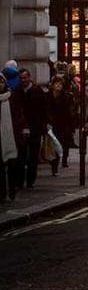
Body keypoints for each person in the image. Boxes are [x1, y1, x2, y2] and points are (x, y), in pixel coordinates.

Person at [17, 68, 46, 188]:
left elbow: (43, 110)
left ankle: (30, 181)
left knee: (33, 157)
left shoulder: (37, 91)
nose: (23, 80)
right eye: (21, 78)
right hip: (21, 128)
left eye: (25, 78)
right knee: (20, 156)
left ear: (29, 77)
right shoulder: (17, 91)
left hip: (35, 128)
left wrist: (44, 126)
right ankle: (19, 181)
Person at [0, 73, 25, 202]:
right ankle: (2, 194)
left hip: (11, 137)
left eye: (1, 82)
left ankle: (12, 191)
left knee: (12, 166)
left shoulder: (12, 97)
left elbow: (19, 115)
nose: (0, 85)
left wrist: (20, 130)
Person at [45, 75, 74, 174]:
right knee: (53, 144)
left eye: (60, 84)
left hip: (63, 124)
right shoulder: (47, 96)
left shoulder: (66, 97)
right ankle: (54, 164)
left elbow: (70, 112)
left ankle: (58, 163)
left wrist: (71, 126)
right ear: (52, 85)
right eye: (56, 83)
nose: (58, 85)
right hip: (51, 123)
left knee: (60, 143)